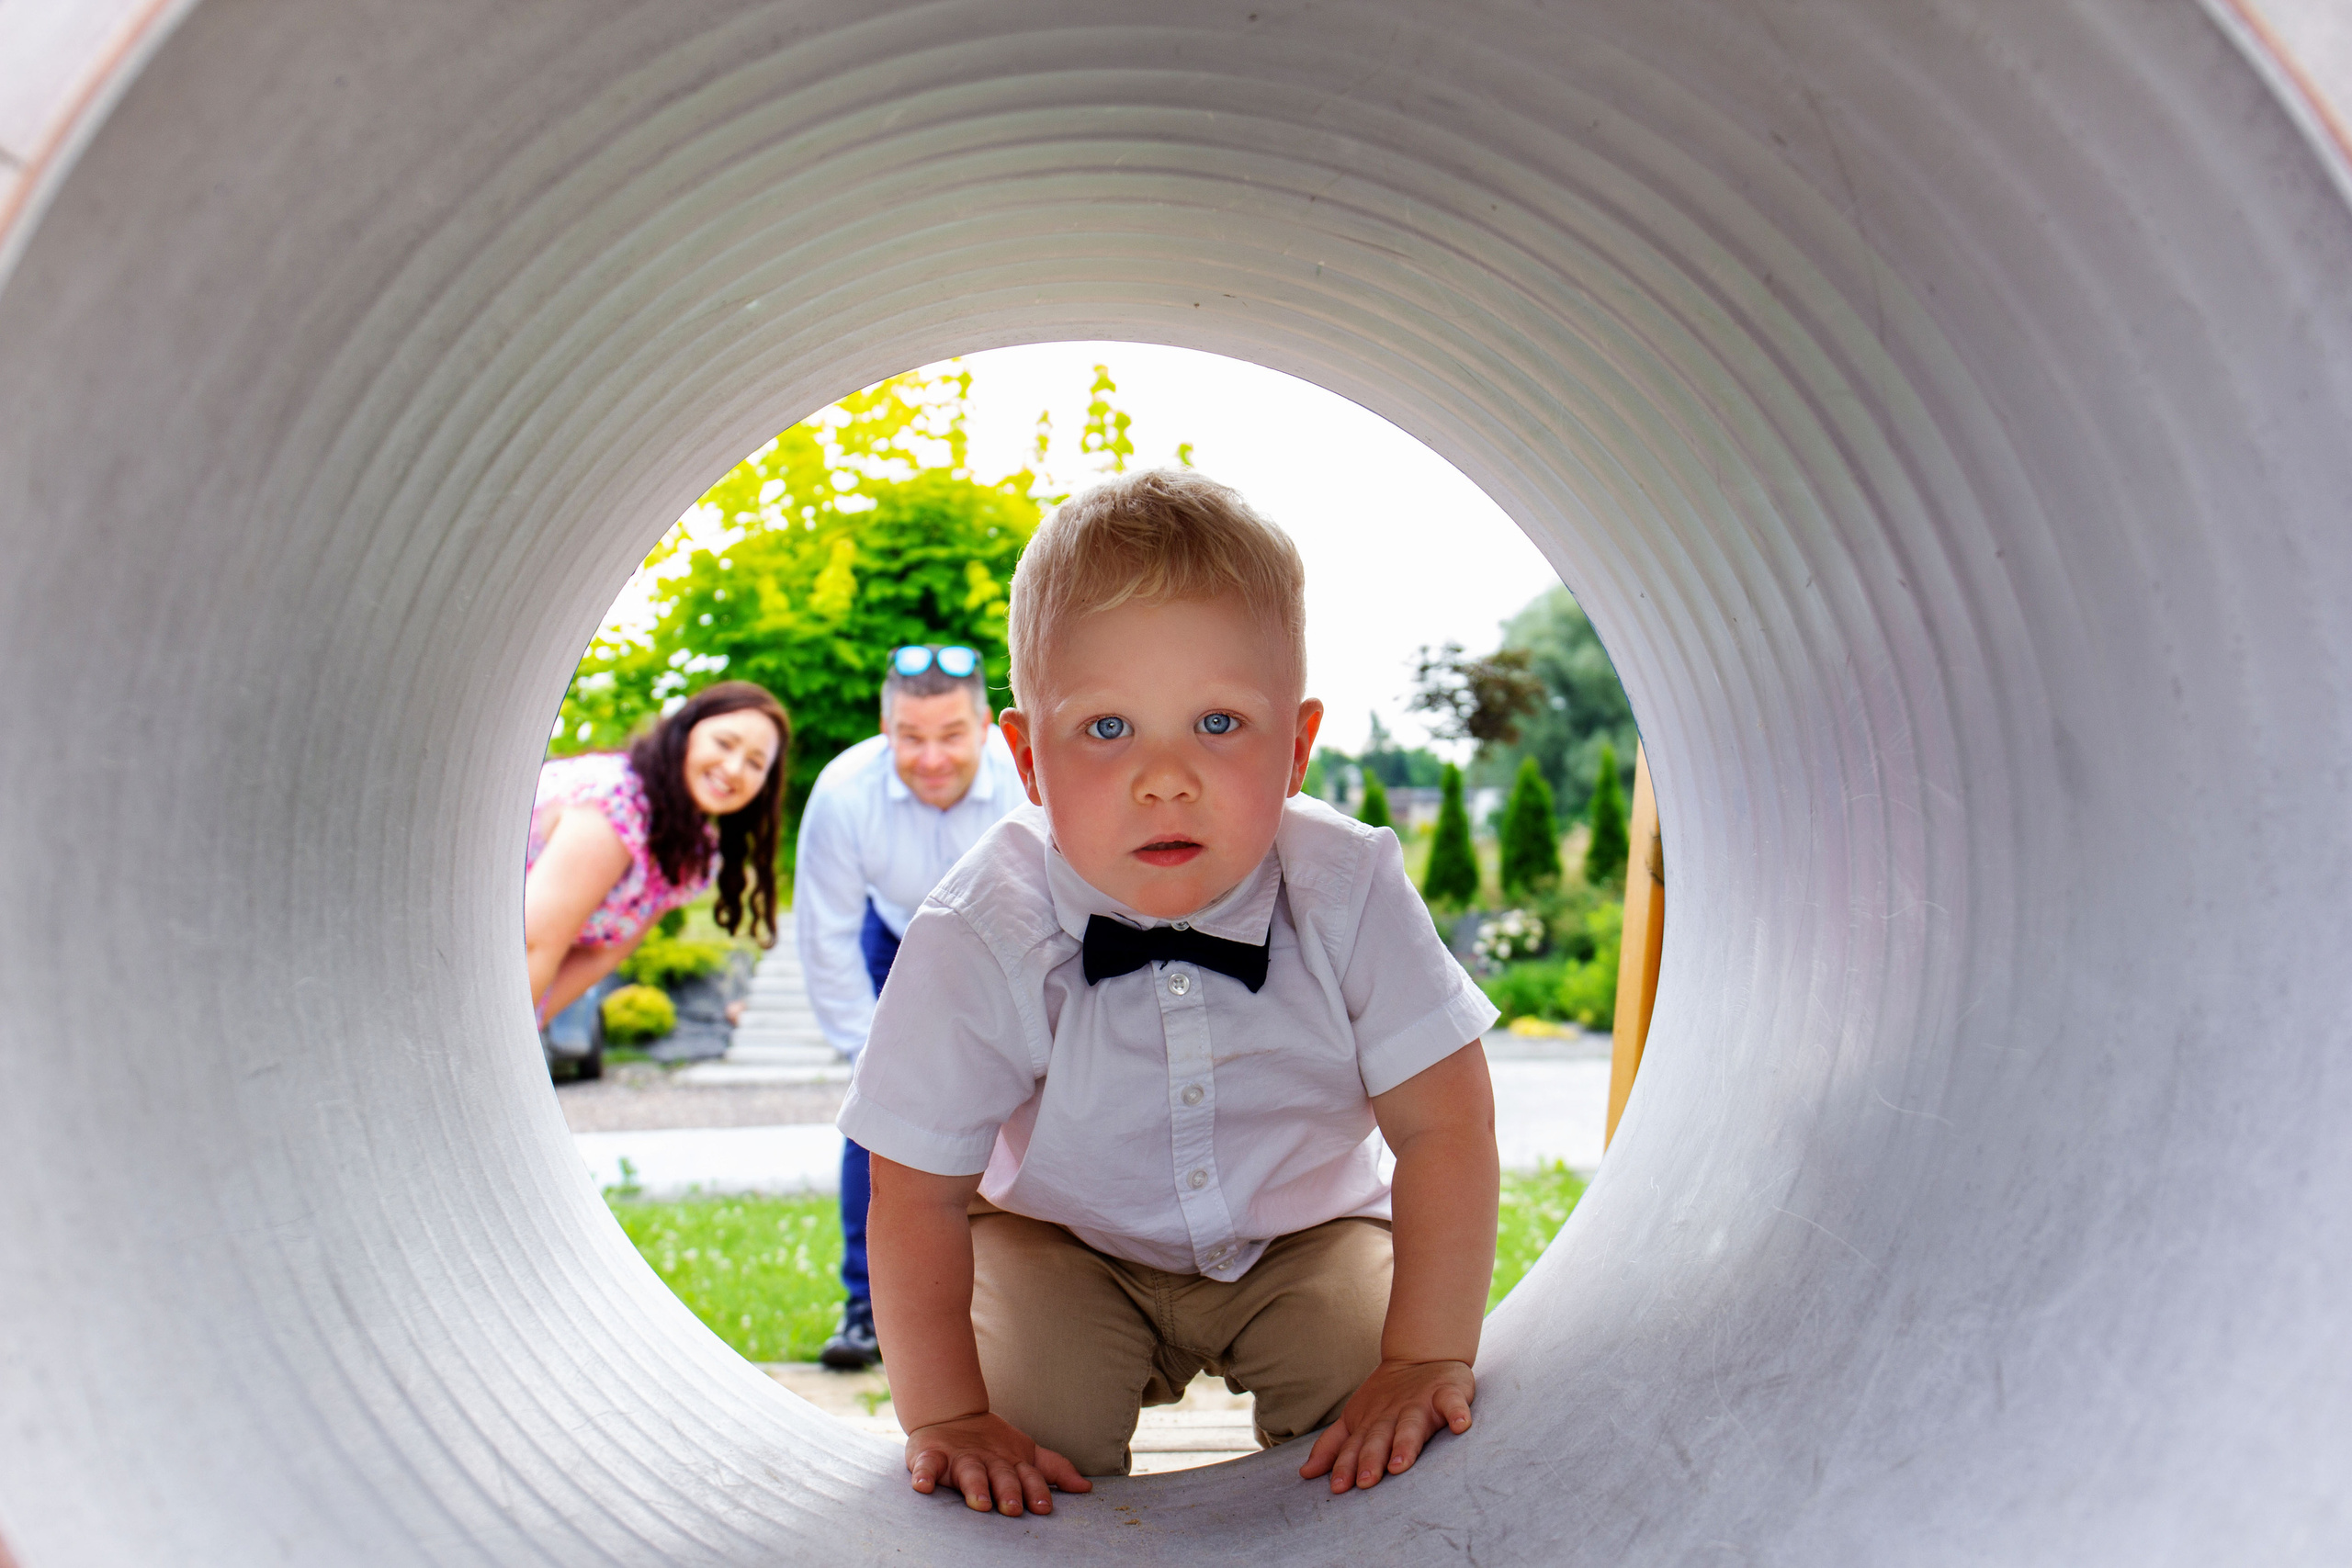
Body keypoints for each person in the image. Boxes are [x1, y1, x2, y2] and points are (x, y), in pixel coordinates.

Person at [841, 469, 1502, 1518]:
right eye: (1107, 729)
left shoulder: (1348, 884)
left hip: (1304, 1231)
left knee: (1382, 1397)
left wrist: (1424, 1355)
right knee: (1019, 1430)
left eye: (1219, 723)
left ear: (1297, 746)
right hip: (1062, 1238)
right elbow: (911, 1190)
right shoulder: (979, 928)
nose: (1165, 777)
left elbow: (1446, 1126)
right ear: (1025, 757)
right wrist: (946, 1416)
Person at [793, 643, 1025, 1369]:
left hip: (1010, 938)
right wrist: (878, 1069)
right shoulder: (841, 793)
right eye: (911, 737)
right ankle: (866, 1307)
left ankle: (1025, 1298)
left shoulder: (1028, 780)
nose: (931, 757)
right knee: (881, 1121)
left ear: (986, 725)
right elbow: (825, 937)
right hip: (893, 939)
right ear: (885, 727)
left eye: (952, 735)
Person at [525, 681, 788, 1055]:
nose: (733, 768)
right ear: (686, 732)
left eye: (755, 763)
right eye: (725, 743)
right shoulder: (616, 802)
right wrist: (493, 1046)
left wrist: (526, 1030)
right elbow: (532, 943)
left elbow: (602, 955)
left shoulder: (685, 855)